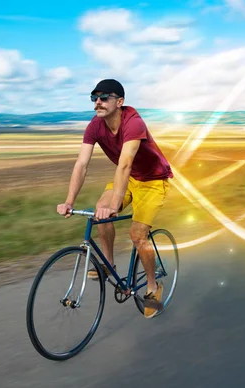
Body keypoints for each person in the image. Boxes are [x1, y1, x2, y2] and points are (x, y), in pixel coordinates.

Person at [56, 79, 173, 318]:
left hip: (152, 181)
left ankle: (153, 286)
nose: (97, 102)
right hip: (129, 178)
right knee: (99, 210)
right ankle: (108, 266)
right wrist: (69, 201)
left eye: (104, 97)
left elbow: (125, 164)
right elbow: (81, 164)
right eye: (94, 98)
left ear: (119, 102)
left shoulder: (134, 123)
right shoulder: (95, 126)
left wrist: (114, 205)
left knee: (137, 234)